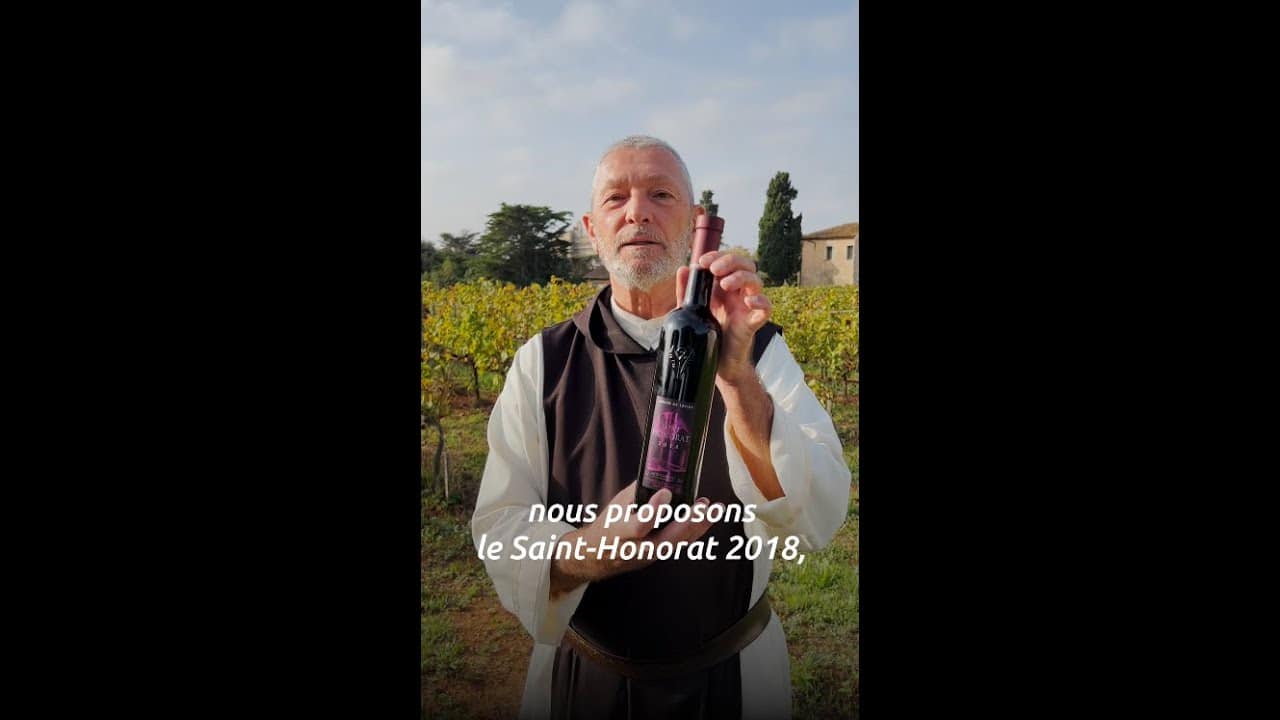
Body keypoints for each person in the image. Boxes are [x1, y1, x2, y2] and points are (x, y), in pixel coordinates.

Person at [471, 135, 850, 720]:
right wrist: (579, 556)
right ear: (592, 227)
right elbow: (499, 523)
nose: (637, 211)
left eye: (660, 194)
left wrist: (737, 378)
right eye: (616, 197)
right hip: (581, 684)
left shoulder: (758, 348)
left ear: (695, 223)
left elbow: (816, 513)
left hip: (736, 681)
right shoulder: (542, 360)